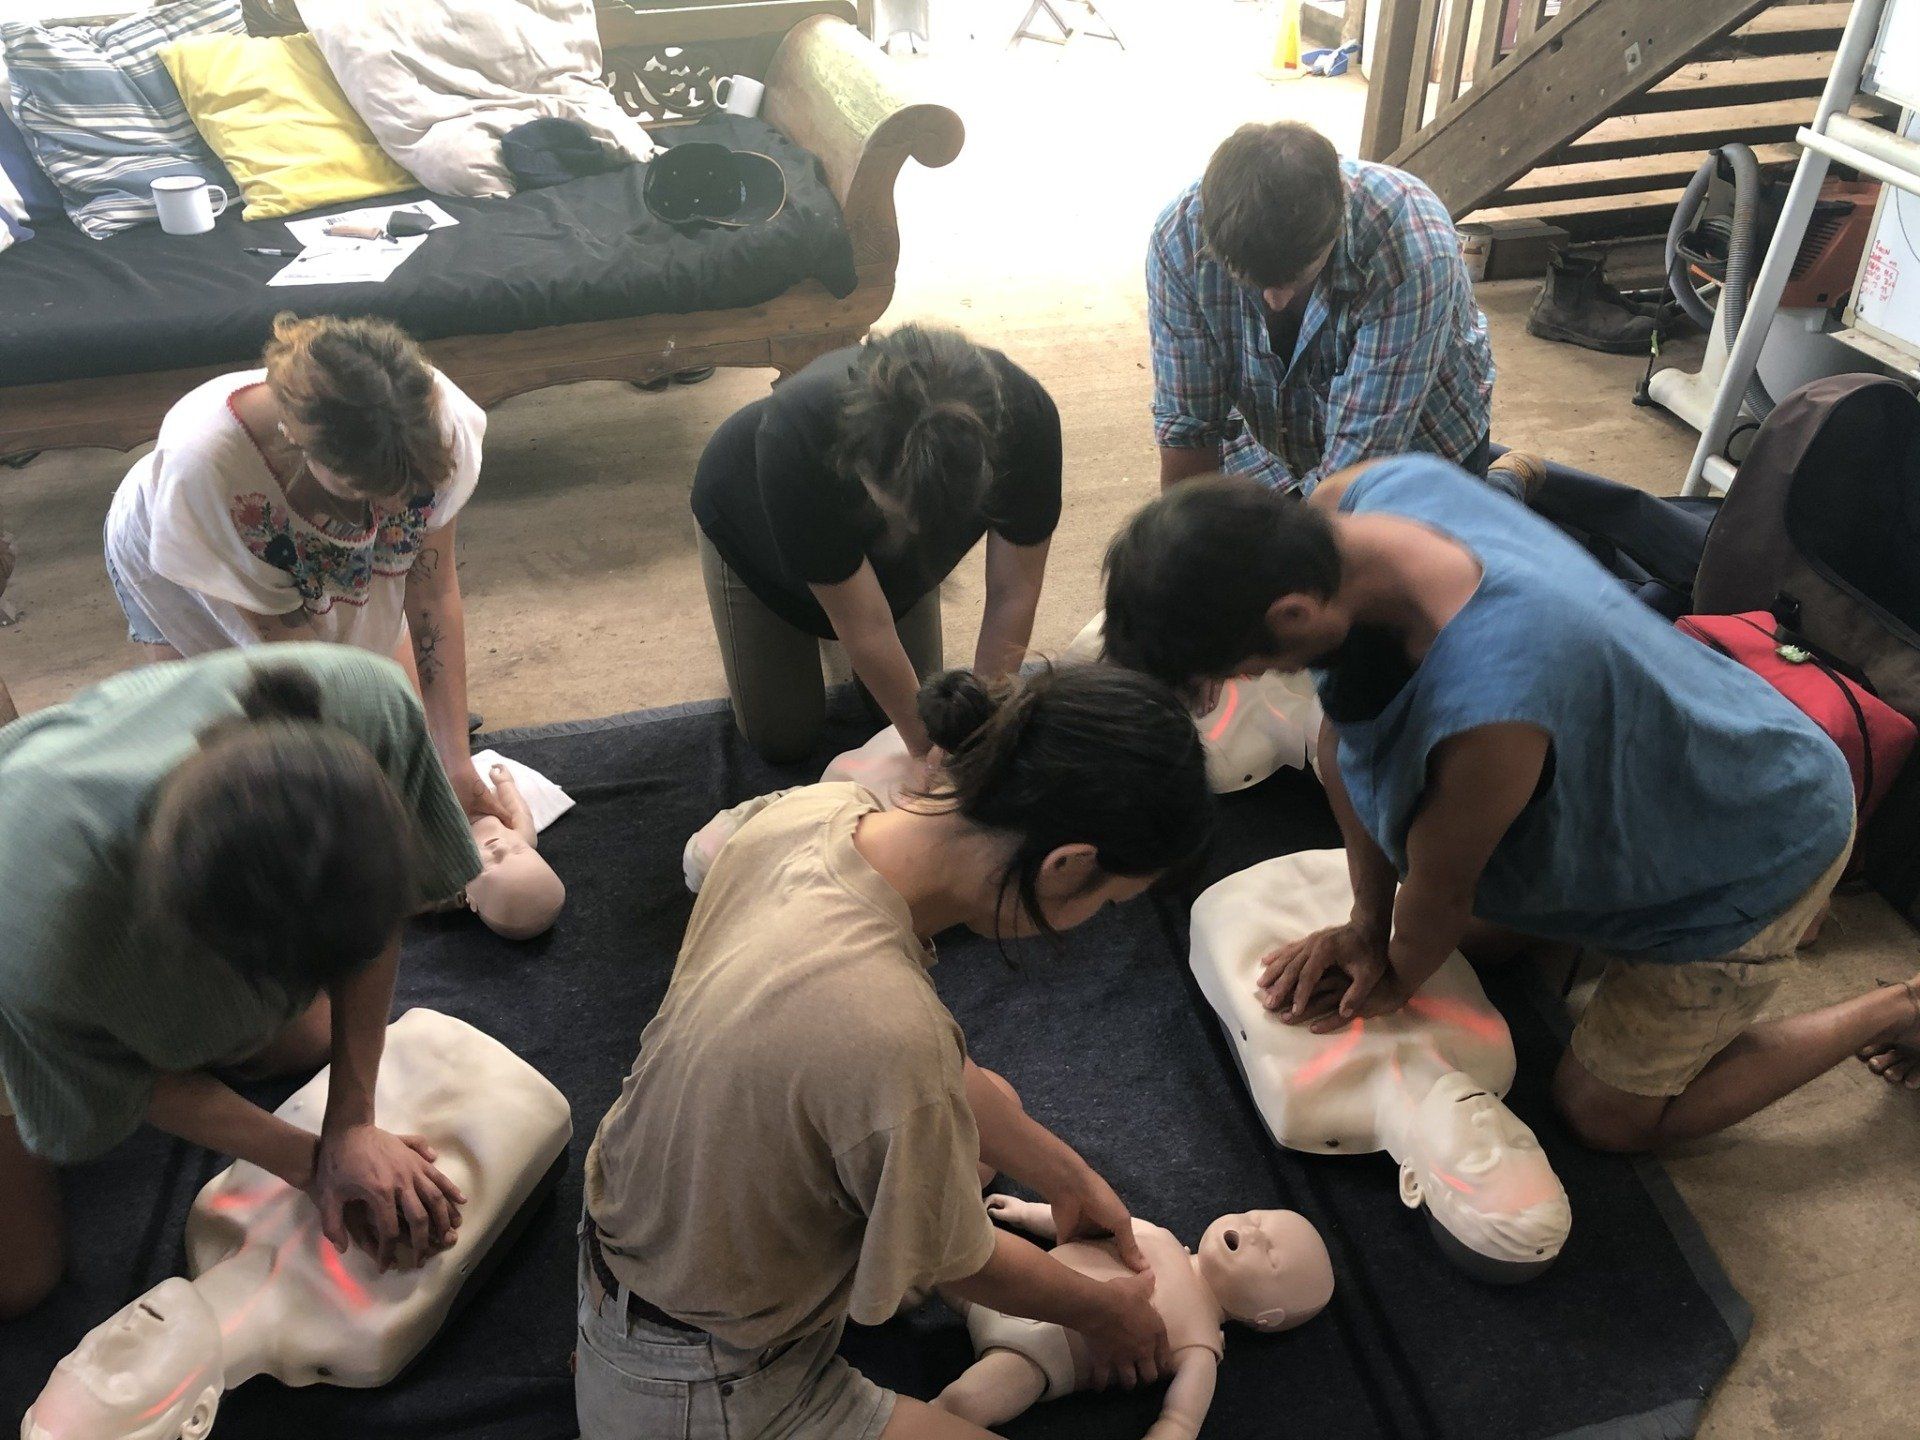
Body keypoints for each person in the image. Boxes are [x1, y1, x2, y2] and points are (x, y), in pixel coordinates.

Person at [1099, 458, 1920, 1153]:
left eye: (1245, 666)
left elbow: (1440, 890)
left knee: (1604, 1118)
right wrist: (1363, 922)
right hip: (1680, 753)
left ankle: (1899, 1004)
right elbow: (1345, 742)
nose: (1250, 681)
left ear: (1291, 614)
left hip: (1756, 841)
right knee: (1482, 944)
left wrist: (1391, 973)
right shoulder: (1355, 499)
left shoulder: (1491, 702)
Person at [579, 663, 1214, 1440]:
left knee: (984, 1114)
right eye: (1109, 903)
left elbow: (932, 1075)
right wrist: (1104, 1311)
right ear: (1068, 865)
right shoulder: (885, 1028)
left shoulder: (812, 815)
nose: (1095, 922)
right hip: (701, 1381)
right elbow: (965, 1259)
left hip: (638, 1245)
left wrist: (1069, 1176)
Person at [0, 646, 483, 1319]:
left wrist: (351, 1123)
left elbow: (373, 921)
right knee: (20, 1280)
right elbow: (122, 1077)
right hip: (21, 904)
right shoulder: (43, 937)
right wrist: (306, 1163)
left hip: (88, 872)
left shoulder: (369, 704)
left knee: (310, 1039)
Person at [102, 312, 506, 821]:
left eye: (406, 496)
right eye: (366, 494)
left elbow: (432, 594)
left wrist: (454, 764)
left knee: (405, 731)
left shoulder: (430, 425)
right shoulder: (210, 468)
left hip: (296, 526)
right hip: (190, 561)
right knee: (226, 752)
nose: (389, 514)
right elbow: (302, 665)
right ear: (296, 437)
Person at [691, 324, 1061, 763]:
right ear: (856, 465)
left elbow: (1013, 591)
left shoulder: (1027, 418)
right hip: (752, 526)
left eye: (936, 520)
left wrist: (983, 734)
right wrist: (929, 753)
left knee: (908, 713)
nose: (914, 533)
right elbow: (866, 626)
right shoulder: (799, 430)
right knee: (784, 738)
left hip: (861, 546)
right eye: (899, 516)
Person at [1148, 121, 1503, 497]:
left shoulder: (1411, 247)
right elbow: (1189, 428)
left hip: (1417, 446)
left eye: (1295, 278)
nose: (1275, 301)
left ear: (1336, 225)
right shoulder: (1179, 238)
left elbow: (1355, 471)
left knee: (1446, 533)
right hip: (1276, 452)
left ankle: (1508, 480)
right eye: (1251, 281)